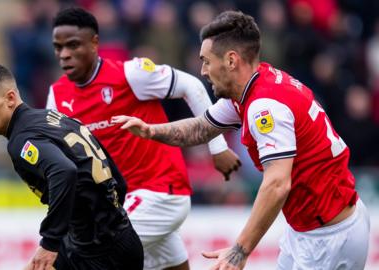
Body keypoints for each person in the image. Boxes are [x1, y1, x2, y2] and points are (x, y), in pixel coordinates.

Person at [112, 10, 370, 270]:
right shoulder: (255, 87)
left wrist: (240, 249)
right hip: (307, 231)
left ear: (231, 60)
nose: (202, 70)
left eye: (206, 61)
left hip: (329, 238)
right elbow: (201, 128)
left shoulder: (264, 107)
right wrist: (151, 131)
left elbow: (277, 184)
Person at [45, 7, 242, 270]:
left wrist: (217, 147)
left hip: (160, 191)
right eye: (58, 47)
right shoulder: (56, 97)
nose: (64, 54)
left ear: (94, 43)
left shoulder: (130, 74)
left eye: (72, 45)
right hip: (124, 203)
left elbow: (191, 86)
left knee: (94, 254)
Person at [0, 63, 143, 270]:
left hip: (98, 254)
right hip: (112, 238)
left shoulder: (22, 140)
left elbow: (64, 171)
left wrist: (50, 242)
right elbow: (117, 181)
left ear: (10, 98)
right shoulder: (54, 118)